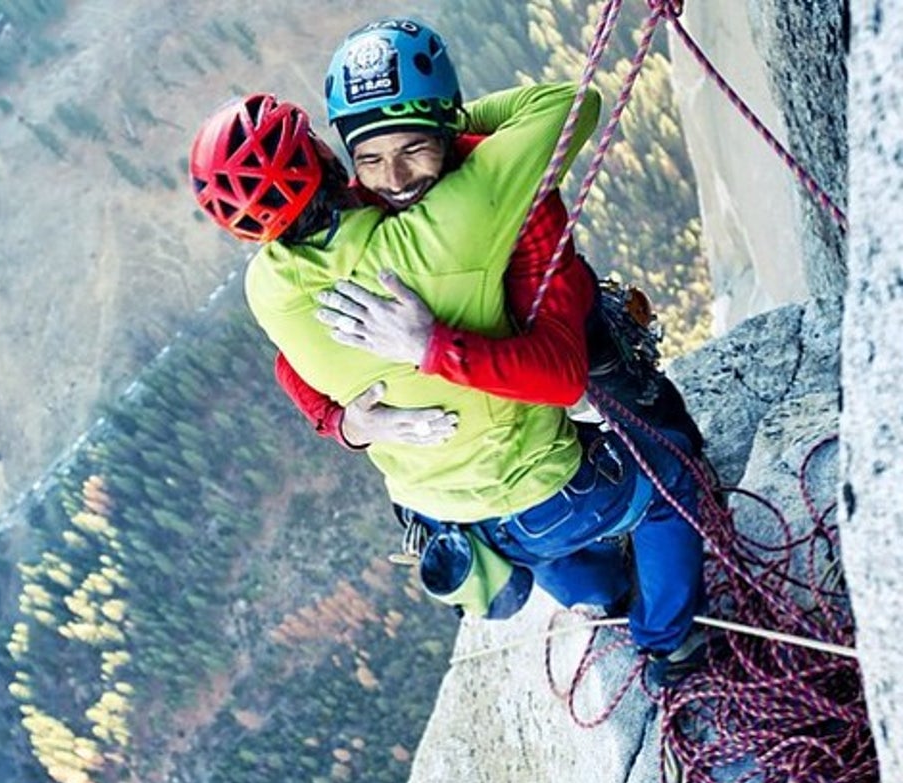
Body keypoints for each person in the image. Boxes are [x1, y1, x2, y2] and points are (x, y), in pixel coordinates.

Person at [188, 26, 705, 682]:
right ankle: (670, 645)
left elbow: (290, 364)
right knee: (675, 473)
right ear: (328, 153)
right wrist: (424, 352)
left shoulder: (268, 287)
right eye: (370, 159)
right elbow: (567, 106)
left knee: (545, 532)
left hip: (444, 498)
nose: (394, 178)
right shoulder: (460, 214)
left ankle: (605, 596)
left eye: (413, 148)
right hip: (535, 477)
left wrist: (349, 419)